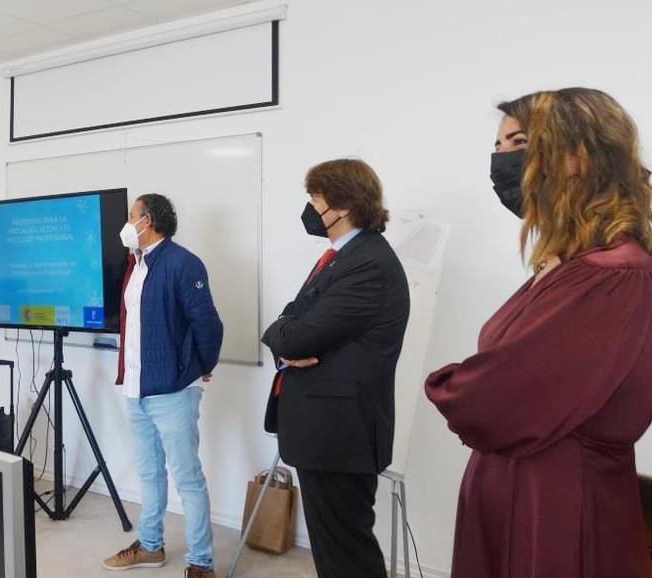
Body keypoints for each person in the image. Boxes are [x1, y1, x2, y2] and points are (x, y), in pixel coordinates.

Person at [425, 88, 652, 578]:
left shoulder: (613, 272)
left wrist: (447, 383)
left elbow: (495, 398)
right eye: (500, 145)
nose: (502, 158)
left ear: (578, 155)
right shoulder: (574, 266)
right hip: (524, 485)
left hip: (556, 501)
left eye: (519, 142)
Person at [261, 159, 410, 577]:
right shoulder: (341, 258)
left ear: (342, 205)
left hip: (341, 435)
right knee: (334, 551)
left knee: (347, 554)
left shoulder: (367, 264)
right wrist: (289, 333)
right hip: (326, 433)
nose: (309, 208)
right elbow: (293, 319)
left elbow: (294, 334)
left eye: (314, 199)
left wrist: (288, 334)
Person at [102, 194, 224, 578]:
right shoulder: (134, 265)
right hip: (136, 389)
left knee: (187, 478)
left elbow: (208, 324)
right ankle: (151, 546)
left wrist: (201, 364)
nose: (126, 223)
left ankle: (201, 562)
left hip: (172, 391)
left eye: (131, 216)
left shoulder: (184, 264)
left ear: (147, 220)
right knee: (150, 474)